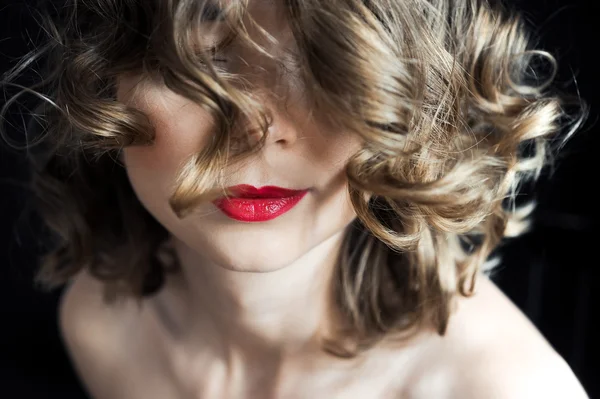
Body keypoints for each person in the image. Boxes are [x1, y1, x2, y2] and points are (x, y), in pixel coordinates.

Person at [0, 0, 590, 397]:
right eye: (207, 62)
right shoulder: (102, 325)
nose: (257, 128)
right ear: (108, 78)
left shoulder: (505, 387)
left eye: (321, 66)